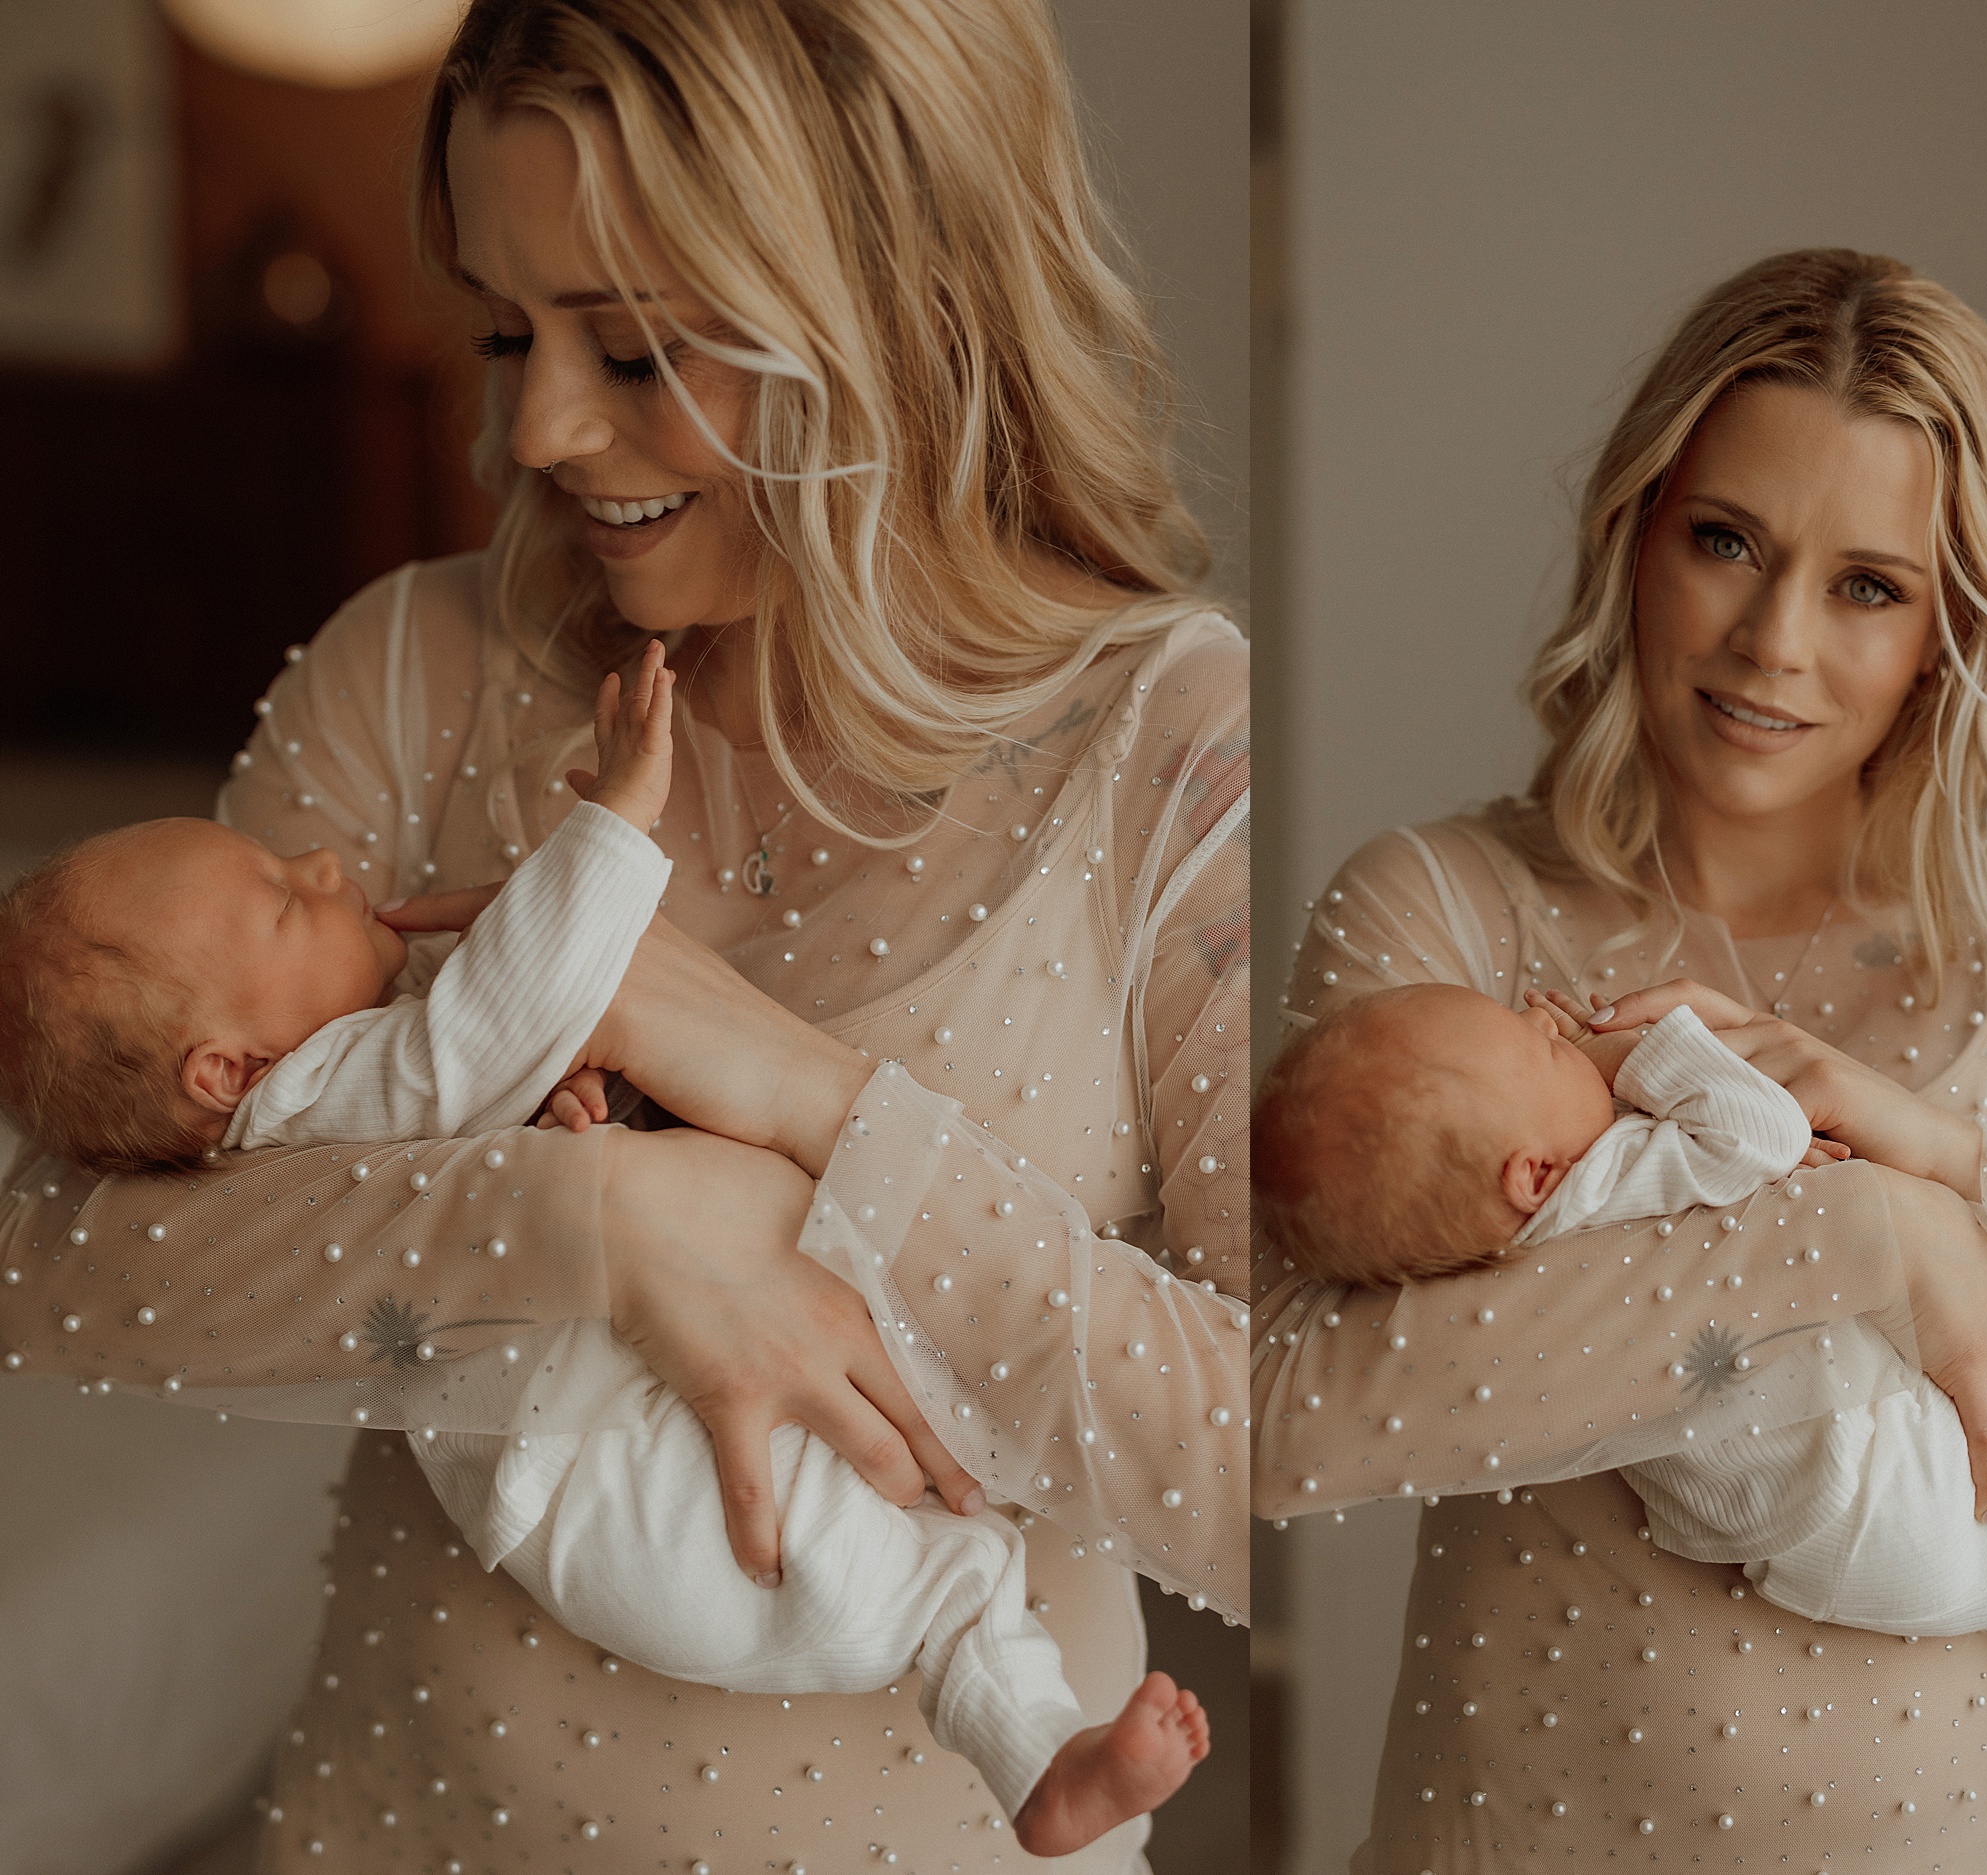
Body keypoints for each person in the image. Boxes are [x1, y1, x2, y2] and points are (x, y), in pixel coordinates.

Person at [0, 2, 1246, 1869]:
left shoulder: (1164, 737)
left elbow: (1281, 1464)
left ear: (902, 307)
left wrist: (802, 1101)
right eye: (508, 329)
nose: (533, 431)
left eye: (639, 348)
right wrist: (608, 1228)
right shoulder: (414, 676)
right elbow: (64, 1262)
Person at [1254, 247, 1987, 1868]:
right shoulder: (1448, 918)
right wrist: (1858, 1239)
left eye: (1867, 586)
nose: (1773, 642)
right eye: (1727, 543)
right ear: (1635, 534)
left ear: (1947, 628)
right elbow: (1283, 1421)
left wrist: (1956, 1171)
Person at [0, 642, 1212, 1851]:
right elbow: (499, 1017)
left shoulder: (322, 1094)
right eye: (280, 899)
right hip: (610, 1501)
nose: (325, 868)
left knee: (949, 1574)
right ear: (226, 1070)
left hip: (606, 1499)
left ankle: (1044, 1763)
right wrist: (617, 825)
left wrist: (574, 1134)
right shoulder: (320, 1084)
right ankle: (1036, 1751)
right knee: (939, 1572)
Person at [1253, 981, 1987, 1764]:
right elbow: (1763, 1132)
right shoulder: (1608, 1180)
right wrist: (1650, 1049)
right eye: (1538, 1046)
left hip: (1792, 1523)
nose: (1545, 1020)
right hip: (1856, 1488)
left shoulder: (1522, 1253)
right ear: (1533, 1175)